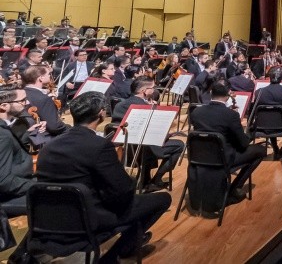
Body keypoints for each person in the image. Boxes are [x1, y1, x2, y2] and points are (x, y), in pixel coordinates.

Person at [34, 91, 171, 261]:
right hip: (88, 217)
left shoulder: (49, 146)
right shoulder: (99, 145)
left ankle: (129, 241)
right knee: (162, 199)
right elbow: (121, 190)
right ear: (101, 113)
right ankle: (115, 254)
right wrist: (131, 181)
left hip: (50, 215)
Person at [189, 80, 267, 207]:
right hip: (222, 158)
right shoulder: (231, 115)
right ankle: (234, 188)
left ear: (210, 93)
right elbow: (243, 144)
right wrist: (249, 134)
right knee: (260, 151)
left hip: (199, 157)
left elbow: (212, 125)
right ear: (228, 95)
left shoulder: (196, 112)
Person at [112, 77, 185, 192]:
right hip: (144, 149)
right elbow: (156, 132)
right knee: (180, 145)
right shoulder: (147, 108)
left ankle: (145, 179)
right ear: (144, 91)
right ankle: (156, 180)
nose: (155, 90)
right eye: (153, 88)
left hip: (124, 149)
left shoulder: (120, 105)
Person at [0, 88, 35, 217]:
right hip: (6, 198)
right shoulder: (3, 135)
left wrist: (28, 134)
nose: (27, 103)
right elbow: (3, 181)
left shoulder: (4, 128)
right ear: (4, 106)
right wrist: (36, 185)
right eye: (22, 101)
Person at [252, 66, 282, 155]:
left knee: (271, 120)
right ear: (281, 78)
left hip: (262, 126)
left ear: (270, 77)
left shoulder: (259, 92)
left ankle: (275, 147)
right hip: (281, 127)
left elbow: (253, 112)